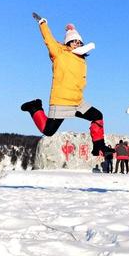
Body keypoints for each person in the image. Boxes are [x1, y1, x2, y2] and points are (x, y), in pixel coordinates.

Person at [19, 14, 114, 157]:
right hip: (62, 100)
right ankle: (35, 107)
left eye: (79, 42)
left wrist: (71, 29)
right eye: (73, 41)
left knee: (97, 115)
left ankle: (99, 147)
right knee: (48, 131)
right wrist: (43, 23)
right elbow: (49, 41)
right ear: (67, 43)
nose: (77, 43)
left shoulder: (81, 58)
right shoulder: (60, 53)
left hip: (77, 101)